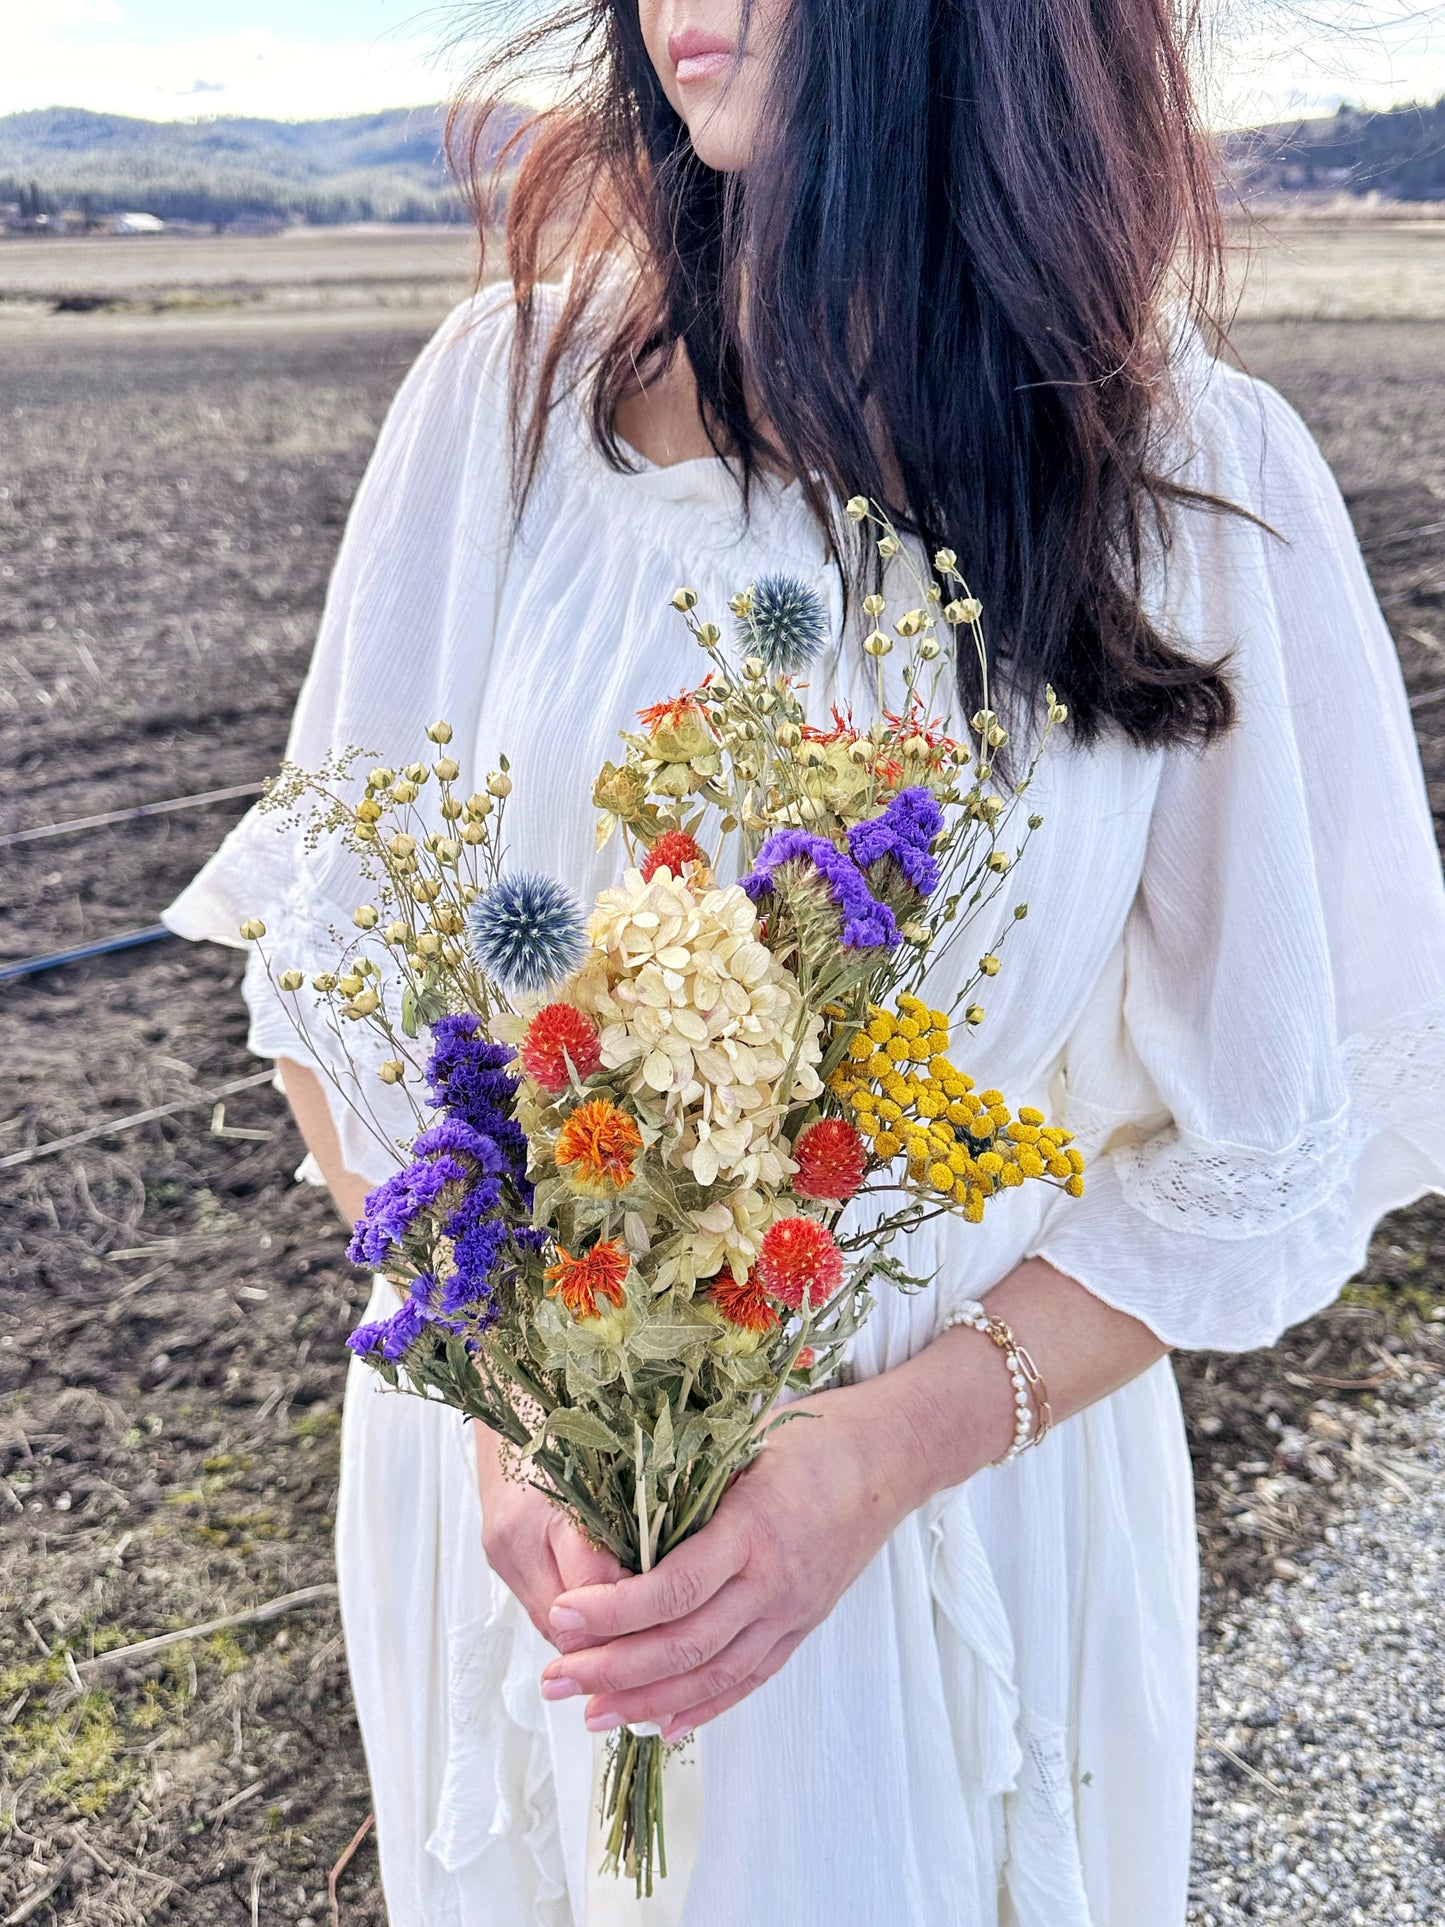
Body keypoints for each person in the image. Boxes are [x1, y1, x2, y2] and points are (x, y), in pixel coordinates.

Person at [164, 0, 1445, 1920]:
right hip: (536, 1526)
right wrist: (511, 1400)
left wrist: (878, 1455)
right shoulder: (506, 404)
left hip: (952, 1516)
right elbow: (343, 983)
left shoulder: (1182, 478)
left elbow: (1278, 1131)